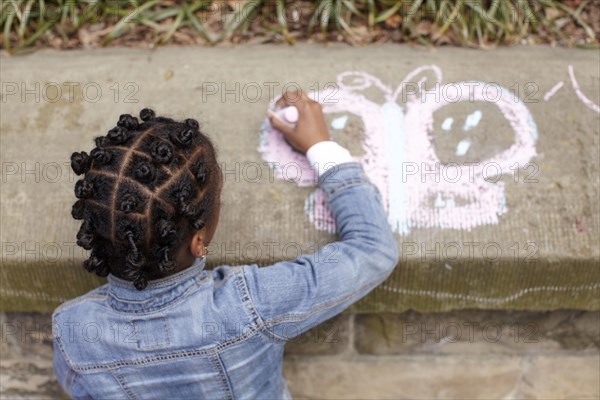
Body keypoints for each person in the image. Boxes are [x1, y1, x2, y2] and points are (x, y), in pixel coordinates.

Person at [52, 90, 399, 399]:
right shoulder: (251, 306)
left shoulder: (73, 331)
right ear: (199, 240)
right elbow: (373, 250)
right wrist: (322, 147)